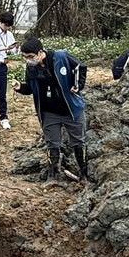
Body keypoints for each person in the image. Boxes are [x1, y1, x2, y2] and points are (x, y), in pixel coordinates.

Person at [16, 36, 91, 183]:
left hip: (71, 109)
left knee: (78, 142)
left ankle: (84, 174)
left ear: (40, 52)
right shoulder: (31, 67)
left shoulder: (60, 57)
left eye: (30, 57)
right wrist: (21, 88)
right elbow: (31, 88)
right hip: (49, 112)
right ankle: (53, 176)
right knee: (52, 144)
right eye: (25, 57)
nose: (28, 60)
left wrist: (78, 85)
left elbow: (80, 67)